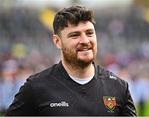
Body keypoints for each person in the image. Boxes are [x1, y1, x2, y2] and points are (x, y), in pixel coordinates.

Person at [6, 5, 136, 116]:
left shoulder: (119, 88)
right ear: (57, 42)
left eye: (89, 33)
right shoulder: (35, 88)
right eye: (75, 35)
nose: (85, 41)